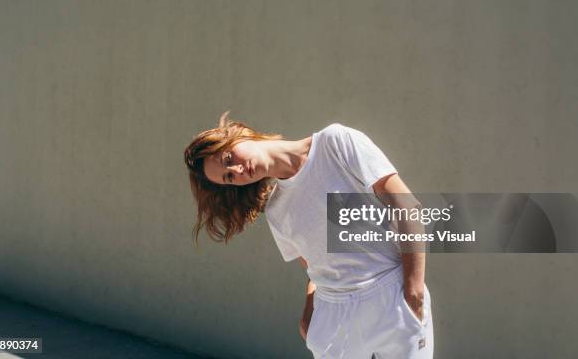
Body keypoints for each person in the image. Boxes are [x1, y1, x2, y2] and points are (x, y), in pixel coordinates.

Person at [184, 111, 434, 359]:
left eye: (229, 158)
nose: (237, 170)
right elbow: (313, 267)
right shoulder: (276, 210)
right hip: (333, 317)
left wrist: (413, 290)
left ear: (239, 135)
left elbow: (407, 207)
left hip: (392, 298)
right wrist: (310, 314)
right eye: (229, 177)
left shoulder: (335, 142)